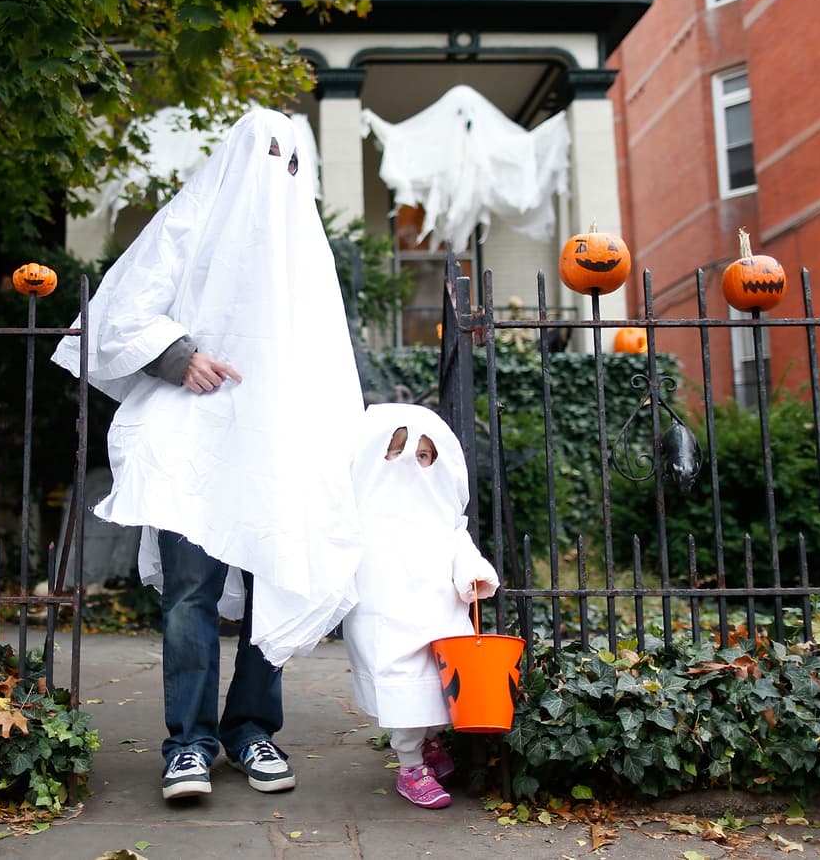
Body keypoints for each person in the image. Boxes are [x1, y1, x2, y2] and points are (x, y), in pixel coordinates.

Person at [51, 109, 365, 802]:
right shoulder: (190, 224)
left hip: (272, 448)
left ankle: (250, 728)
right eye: (270, 155)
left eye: (293, 161)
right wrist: (176, 355)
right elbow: (118, 311)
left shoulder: (302, 251)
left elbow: (326, 359)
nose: (280, 173)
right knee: (191, 593)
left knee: (270, 586)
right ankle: (187, 743)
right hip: (193, 441)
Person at [341, 403, 500, 809]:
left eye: (423, 454)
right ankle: (410, 765)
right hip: (387, 620)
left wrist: (472, 575)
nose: (410, 462)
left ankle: (430, 744)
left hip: (440, 619)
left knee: (437, 693)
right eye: (396, 451)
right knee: (404, 695)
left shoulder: (440, 515)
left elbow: (459, 545)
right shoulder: (364, 516)